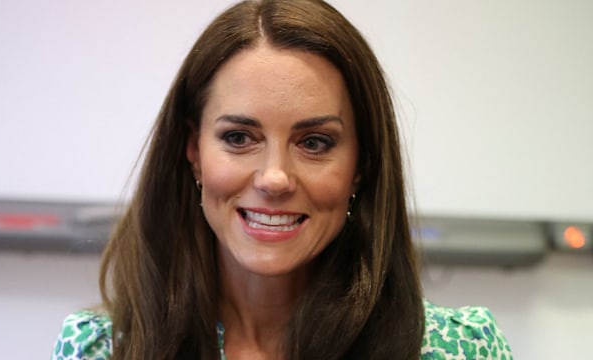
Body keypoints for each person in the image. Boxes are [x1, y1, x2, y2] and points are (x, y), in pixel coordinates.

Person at [52, 0, 513, 359]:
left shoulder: (460, 349)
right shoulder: (99, 350)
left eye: (314, 143)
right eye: (238, 137)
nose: (274, 177)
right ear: (193, 152)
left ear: (362, 166)